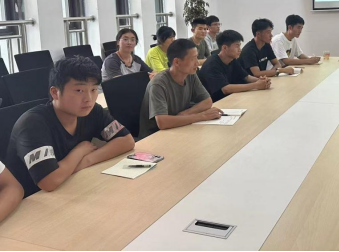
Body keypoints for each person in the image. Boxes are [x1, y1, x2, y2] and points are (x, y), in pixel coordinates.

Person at [5, 57, 135, 198]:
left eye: (93, 89)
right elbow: (49, 181)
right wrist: (79, 151)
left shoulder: (92, 111)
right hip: (32, 200)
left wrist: (86, 160)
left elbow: (126, 140)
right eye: (79, 90)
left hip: (70, 185)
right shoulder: (32, 124)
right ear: (55, 93)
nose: (88, 98)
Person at [138, 39, 223, 139]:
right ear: (177, 62)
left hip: (179, 128)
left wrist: (185, 114)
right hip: (155, 136)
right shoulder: (158, 83)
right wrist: (202, 116)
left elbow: (207, 101)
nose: (197, 63)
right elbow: (162, 122)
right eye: (193, 59)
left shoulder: (190, 74)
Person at [199, 30, 272, 102]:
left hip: (231, 98)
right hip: (215, 103)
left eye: (240, 46)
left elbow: (246, 77)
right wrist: (255, 85)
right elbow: (225, 89)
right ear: (224, 48)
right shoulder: (212, 64)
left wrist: (261, 81)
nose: (240, 50)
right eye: (237, 46)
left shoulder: (232, 59)